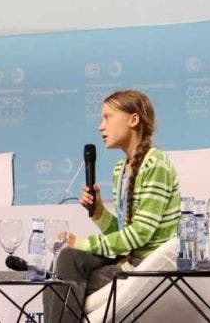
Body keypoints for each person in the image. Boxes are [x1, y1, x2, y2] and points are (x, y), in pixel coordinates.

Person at [44, 90, 180, 322]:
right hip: (125, 259)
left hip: (143, 266)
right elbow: (121, 235)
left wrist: (84, 243)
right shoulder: (120, 170)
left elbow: (140, 234)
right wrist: (98, 213)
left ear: (133, 120)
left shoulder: (155, 163)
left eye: (107, 117)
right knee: (66, 260)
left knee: (62, 281)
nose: (100, 126)